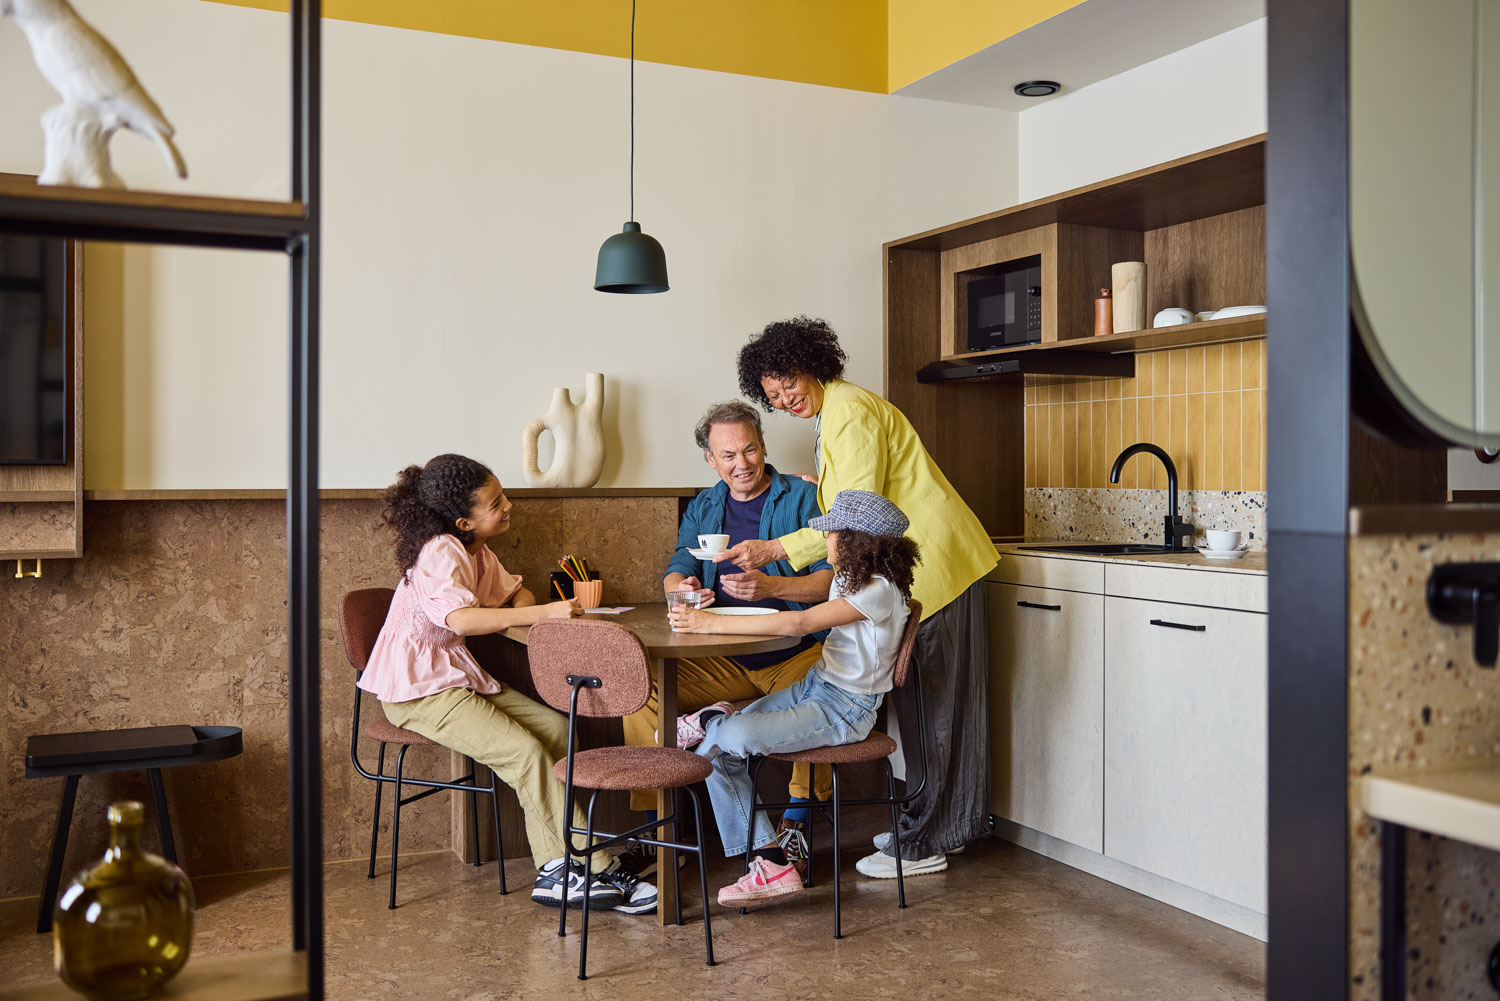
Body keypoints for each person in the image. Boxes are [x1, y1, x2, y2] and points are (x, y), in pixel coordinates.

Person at [720, 315, 998, 879]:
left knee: (935, 714)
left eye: (789, 384)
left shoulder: (847, 413)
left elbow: (856, 514)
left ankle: (924, 841)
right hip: (927, 566)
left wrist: (775, 548)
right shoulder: (838, 410)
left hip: (936, 566)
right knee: (930, 712)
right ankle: (937, 827)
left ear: (812, 366)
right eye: (774, 395)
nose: (785, 399)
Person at [356, 452, 657, 914]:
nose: (508, 505)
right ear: (464, 521)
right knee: (525, 753)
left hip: (453, 679)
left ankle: (559, 865)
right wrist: (545, 613)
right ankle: (589, 864)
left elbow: (514, 595)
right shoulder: (441, 550)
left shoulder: (477, 550)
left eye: (503, 496)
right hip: (418, 691)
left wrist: (530, 610)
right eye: (495, 503)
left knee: (556, 730)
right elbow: (462, 618)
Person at [667, 489, 919, 907]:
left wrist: (706, 622)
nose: (825, 540)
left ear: (856, 541)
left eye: (832, 532)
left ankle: (712, 718)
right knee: (711, 751)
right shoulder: (850, 578)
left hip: (844, 710)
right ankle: (770, 862)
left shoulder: (878, 591)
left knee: (729, 735)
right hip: (815, 687)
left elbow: (799, 624)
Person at [618, 400, 835, 880]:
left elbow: (830, 583)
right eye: (728, 455)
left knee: (822, 697)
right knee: (640, 690)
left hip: (794, 651)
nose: (742, 464)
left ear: (763, 446)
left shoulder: (803, 497)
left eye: (749, 450)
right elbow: (678, 566)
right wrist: (682, 588)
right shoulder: (705, 505)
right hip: (726, 658)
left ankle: (797, 822)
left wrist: (773, 585)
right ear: (711, 459)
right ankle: (659, 827)